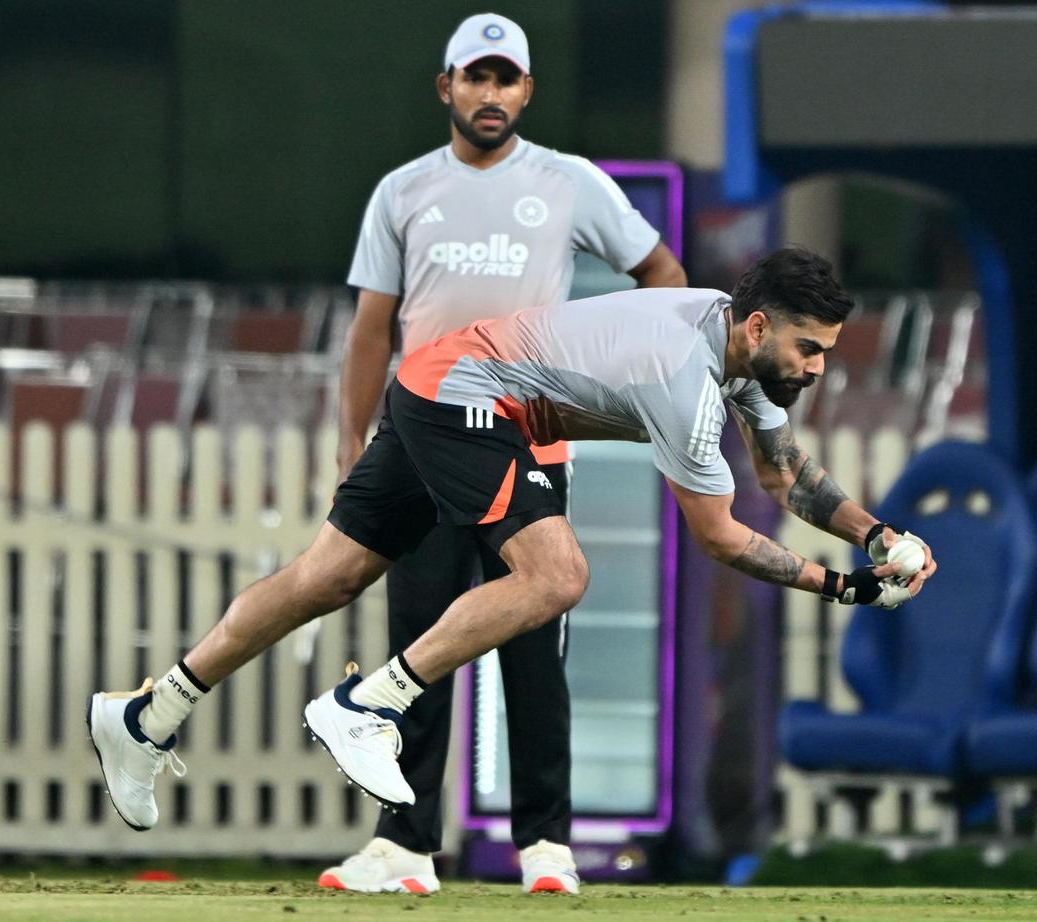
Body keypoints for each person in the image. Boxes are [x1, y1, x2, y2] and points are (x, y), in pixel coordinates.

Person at [86, 246, 937, 890]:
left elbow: (786, 475)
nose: (818, 369)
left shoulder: (731, 340)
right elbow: (717, 536)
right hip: (469, 398)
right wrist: (845, 589)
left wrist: (874, 536)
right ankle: (363, 704)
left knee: (329, 576)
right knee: (558, 576)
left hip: (434, 383)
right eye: (809, 349)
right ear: (759, 328)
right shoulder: (685, 374)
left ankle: (147, 714)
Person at [329, 12, 684, 895]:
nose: (491, 94)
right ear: (445, 87)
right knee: (418, 646)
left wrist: (614, 372)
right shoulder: (403, 191)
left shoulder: (568, 183)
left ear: (527, 90)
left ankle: (546, 848)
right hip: (417, 449)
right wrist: (348, 445)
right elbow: (372, 330)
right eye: (475, 78)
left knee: (534, 651)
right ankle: (404, 848)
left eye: (507, 79)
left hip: (528, 445)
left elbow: (664, 280)